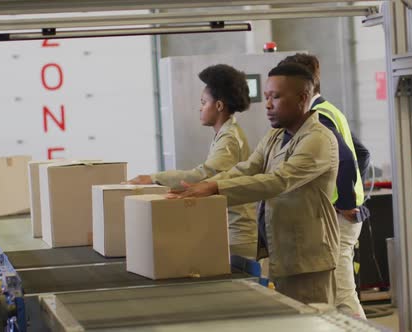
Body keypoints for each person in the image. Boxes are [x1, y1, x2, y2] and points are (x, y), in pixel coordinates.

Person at [167, 63, 340, 305]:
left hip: (307, 258)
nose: (268, 105)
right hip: (282, 252)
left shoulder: (318, 139)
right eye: (267, 97)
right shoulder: (276, 135)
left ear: (302, 98)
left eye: (276, 97)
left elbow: (278, 181)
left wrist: (214, 188)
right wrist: (206, 185)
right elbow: (247, 168)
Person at [126, 64, 257, 258]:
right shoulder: (226, 134)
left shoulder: (229, 138)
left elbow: (204, 174)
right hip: (230, 231)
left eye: (204, 102)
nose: (200, 108)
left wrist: (154, 178)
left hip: (238, 236)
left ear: (219, 106)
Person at [279, 53, 371, 318]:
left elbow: (344, 158)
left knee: (343, 296)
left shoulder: (318, 116)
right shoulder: (330, 110)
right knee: (336, 293)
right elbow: (361, 154)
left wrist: (345, 203)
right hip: (339, 216)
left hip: (337, 218)